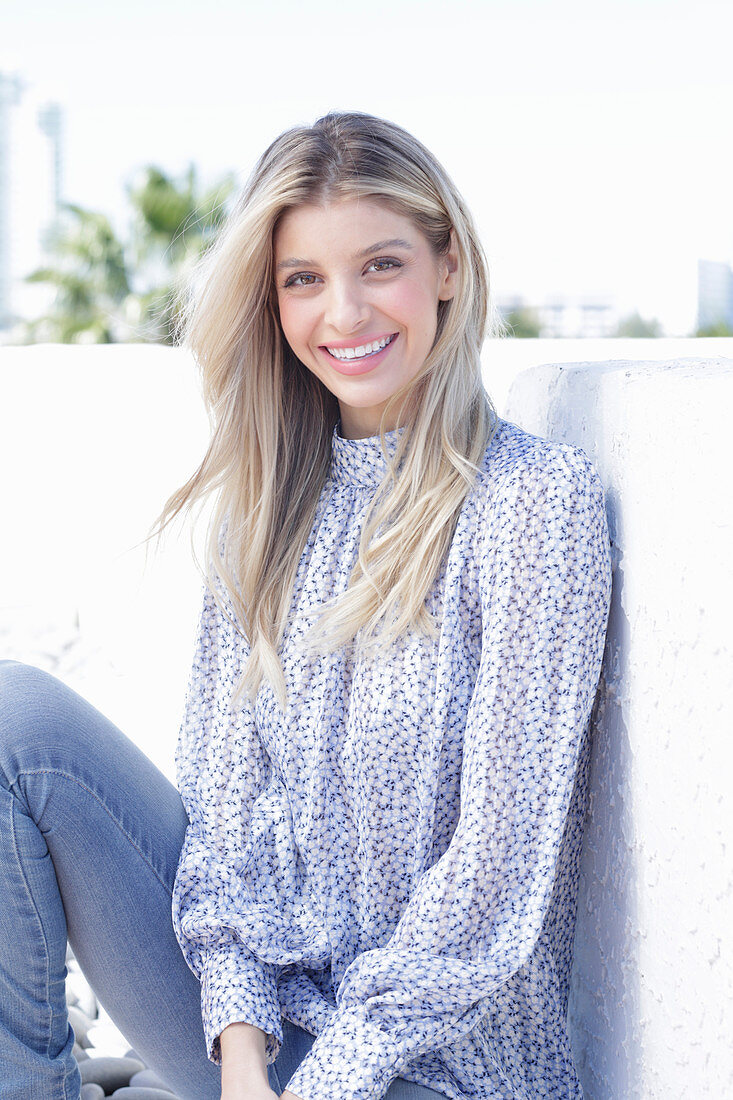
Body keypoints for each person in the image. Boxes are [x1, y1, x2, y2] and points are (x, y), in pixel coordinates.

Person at [0, 111, 611, 1100]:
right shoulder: (266, 514)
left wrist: (325, 1082)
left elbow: (492, 890)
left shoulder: (533, 506)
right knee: (13, 720)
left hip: (437, 1070)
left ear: (446, 264)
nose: (344, 314)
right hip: (265, 1040)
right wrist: (242, 1049)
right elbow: (225, 826)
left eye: (380, 265)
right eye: (303, 280)